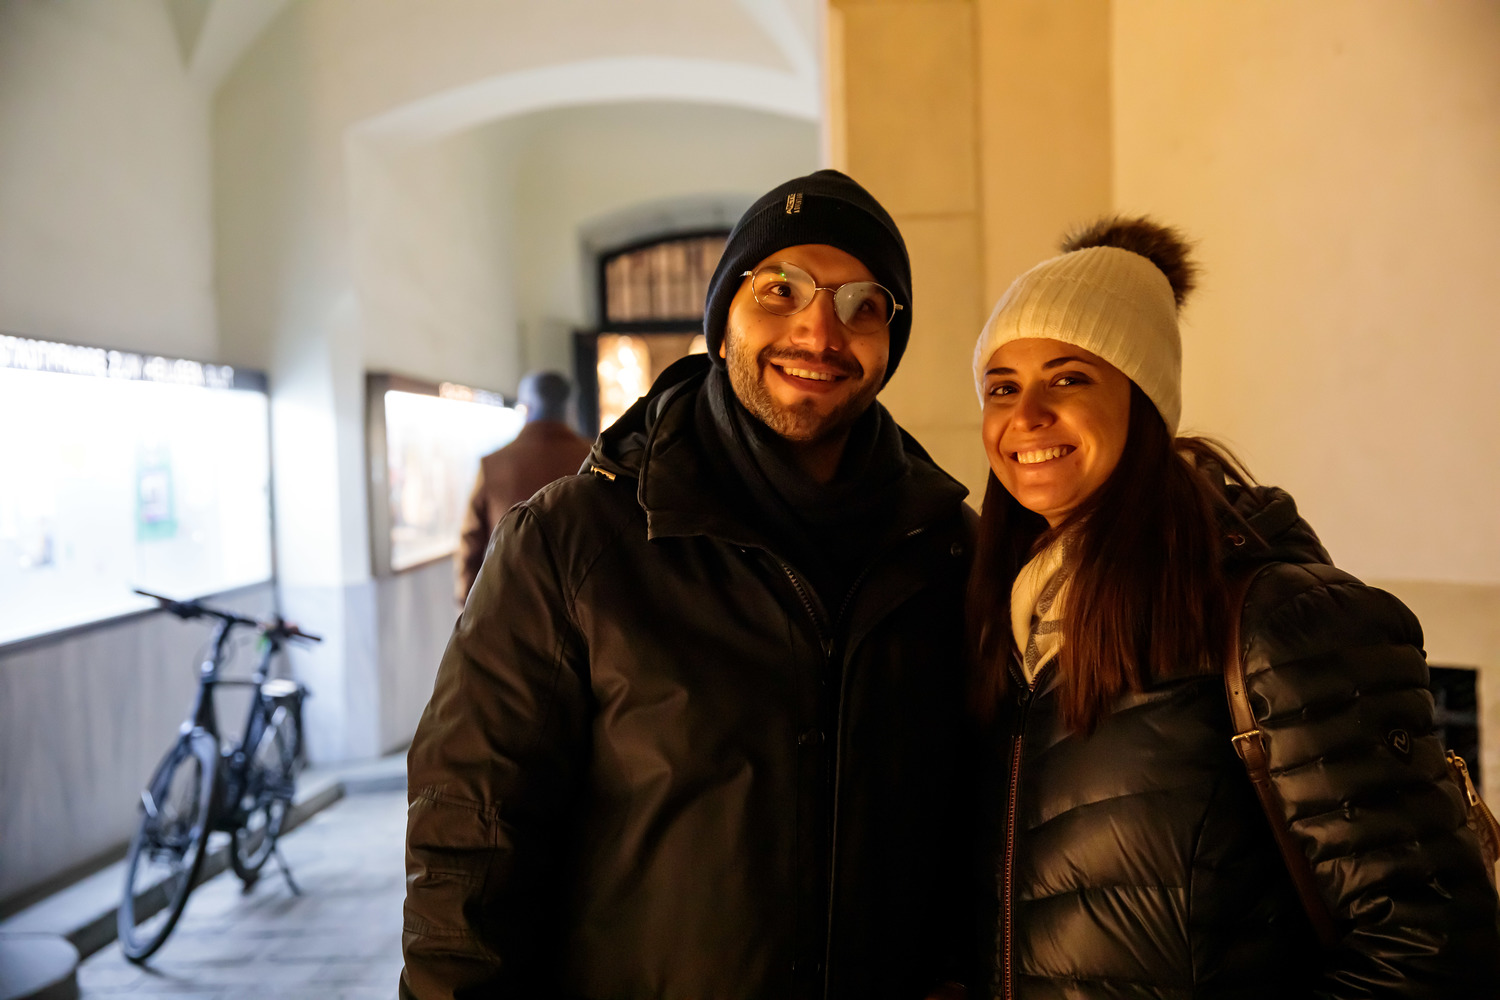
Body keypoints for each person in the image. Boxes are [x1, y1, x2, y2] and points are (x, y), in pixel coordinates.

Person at [401, 170, 974, 1000]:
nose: (820, 331)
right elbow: (470, 838)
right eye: (781, 290)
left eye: (864, 305)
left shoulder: (944, 550)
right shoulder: (574, 542)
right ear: (722, 319)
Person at [967, 216, 1500, 998]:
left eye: (1069, 378)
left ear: (1144, 399)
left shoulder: (1276, 622)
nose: (1027, 415)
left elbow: (1430, 947)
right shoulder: (1007, 627)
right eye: (1001, 387)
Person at [454, 370, 592, 605]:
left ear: (526, 407)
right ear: (570, 408)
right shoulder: (595, 459)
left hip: (513, 605)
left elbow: (471, 543)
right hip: (586, 604)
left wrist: (467, 603)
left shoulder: (493, 465)